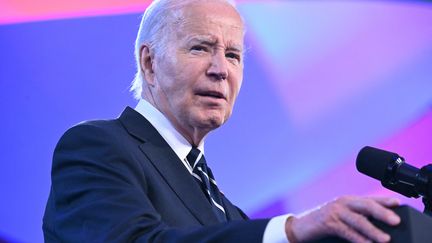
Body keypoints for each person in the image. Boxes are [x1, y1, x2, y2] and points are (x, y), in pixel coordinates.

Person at [43, 0, 401, 242]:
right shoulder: (98, 146)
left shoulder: (227, 211)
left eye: (232, 55)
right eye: (200, 47)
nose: (220, 70)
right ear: (149, 63)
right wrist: (290, 230)